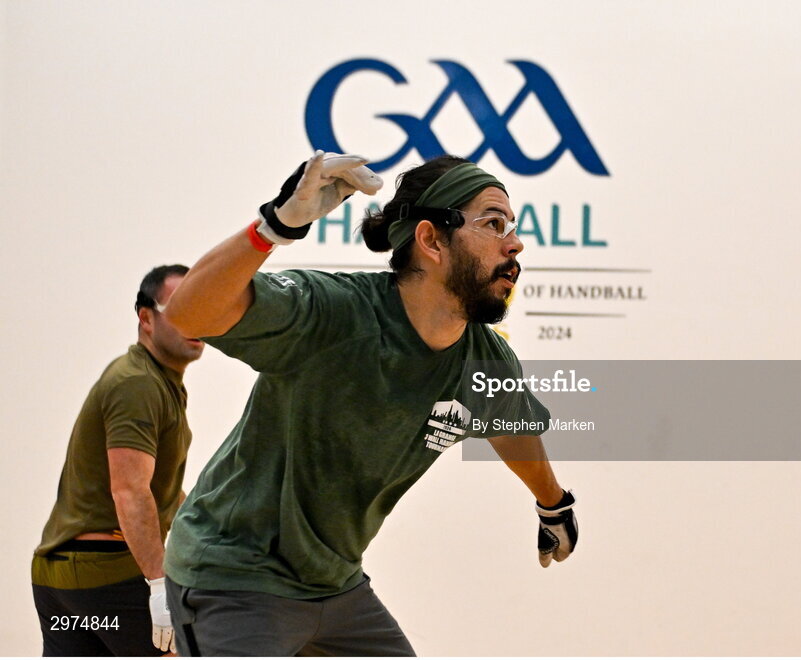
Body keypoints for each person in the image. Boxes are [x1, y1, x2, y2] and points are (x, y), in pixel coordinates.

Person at [161, 151, 579, 656]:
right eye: (493, 223)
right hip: (233, 576)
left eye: (510, 226)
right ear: (431, 240)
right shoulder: (332, 313)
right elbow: (186, 313)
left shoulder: (486, 361)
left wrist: (552, 503)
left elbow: (511, 425)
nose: (515, 244)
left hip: (335, 586)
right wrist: (275, 227)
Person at [32, 264, 205, 656]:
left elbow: (158, 488)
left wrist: (205, 527)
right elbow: (129, 490)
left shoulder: (154, 380)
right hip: (107, 578)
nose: (197, 317)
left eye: (203, 304)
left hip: (60, 582)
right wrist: (160, 585)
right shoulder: (138, 383)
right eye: (180, 307)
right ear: (146, 318)